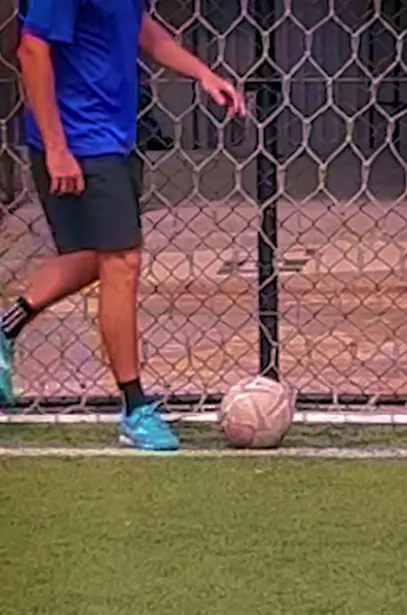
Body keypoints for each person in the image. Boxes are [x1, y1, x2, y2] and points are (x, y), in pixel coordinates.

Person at [0, 0, 245, 450]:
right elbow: (32, 50)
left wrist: (202, 74)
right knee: (122, 261)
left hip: (115, 135)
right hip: (79, 140)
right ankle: (134, 408)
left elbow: (140, 27)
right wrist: (57, 149)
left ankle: (5, 328)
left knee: (94, 256)